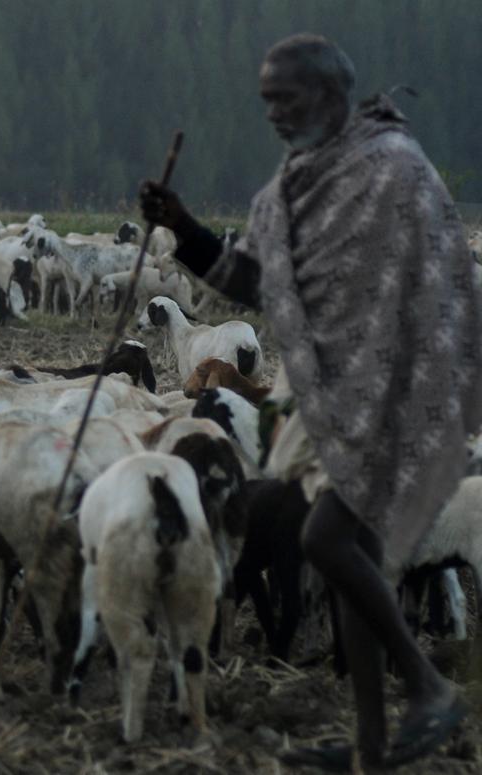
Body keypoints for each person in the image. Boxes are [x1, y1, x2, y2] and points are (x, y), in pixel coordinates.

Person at [141, 33, 482, 772]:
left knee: (325, 539)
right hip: (339, 393)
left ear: (329, 94)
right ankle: (372, 745)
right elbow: (255, 282)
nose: (272, 113)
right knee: (346, 554)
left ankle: (429, 685)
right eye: (264, 100)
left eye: (283, 98)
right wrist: (183, 228)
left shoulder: (394, 169)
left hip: (405, 390)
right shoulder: (298, 181)